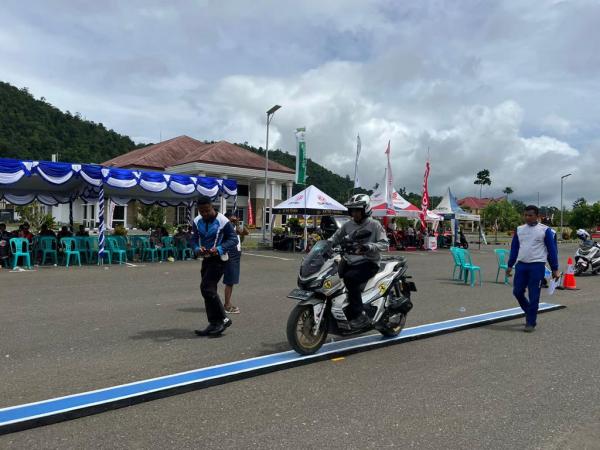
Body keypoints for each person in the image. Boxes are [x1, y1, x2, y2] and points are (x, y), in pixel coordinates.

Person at [329, 194, 389, 330]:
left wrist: (369, 246)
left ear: (365, 210)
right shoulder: (348, 225)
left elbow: (385, 244)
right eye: (352, 210)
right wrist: (325, 245)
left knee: (350, 279)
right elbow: (335, 237)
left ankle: (360, 315)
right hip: (350, 261)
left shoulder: (374, 225)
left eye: (357, 210)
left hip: (369, 262)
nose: (354, 213)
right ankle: (340, 308)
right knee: (331, 277)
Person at [506, 205, 559, 332]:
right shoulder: (519, 229)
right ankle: (530, 311)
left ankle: (531, 322)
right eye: (525, 215)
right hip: (521, 265)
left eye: (530, 215)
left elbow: (552, 251)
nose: (527, 217)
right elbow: (514, 249)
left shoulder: (545, 230)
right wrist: (509, 265)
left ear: (537, 216)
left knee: (534, 295)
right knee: (517, 292)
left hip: (537, 266)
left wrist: (555, 268)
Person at [191, 196, 239, 337]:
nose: (205, 214)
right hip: (206, 258)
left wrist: (218, 248)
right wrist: (196, 249)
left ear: (212, 207)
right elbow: (193, 239)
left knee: (206, 288)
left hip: (219, 259)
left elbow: (233, 239)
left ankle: (223, 319)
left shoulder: (223, 221)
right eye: (201, 211)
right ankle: (214, 323)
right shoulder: (197, 221)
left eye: (207, 210)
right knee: (208, 291)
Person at [222, 214, 248, 314]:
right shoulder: (225, 228)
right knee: (229, 280)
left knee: (232, 281)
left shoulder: (234, 227)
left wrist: (238, 224)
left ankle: (227, 303)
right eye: (231, 218)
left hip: (236, 254)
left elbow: (245, 232)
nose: (234, 220)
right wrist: (230, 223)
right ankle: (227, 305)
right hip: (230, 254)